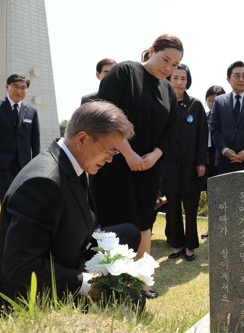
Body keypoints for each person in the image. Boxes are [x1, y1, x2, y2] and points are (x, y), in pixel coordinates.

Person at [0, 101, 140, 320]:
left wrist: (111, 256)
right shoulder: (43, 183)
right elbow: (20, 267)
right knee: (132, 298)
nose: (110, 159)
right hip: (30, 297)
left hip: (67, 257)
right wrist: (87, 283)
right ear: (82, 139)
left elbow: (85, 219)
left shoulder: (73, 163)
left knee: (129, 233)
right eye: (109, 151)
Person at [89, 34, 183, 297]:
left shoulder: (167, 90)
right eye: (166, 59)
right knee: (112, 223)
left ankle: (141, 281)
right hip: (114, 163)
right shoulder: (124, 73)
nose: (169, 68)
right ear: (151, 51)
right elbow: (106, 113)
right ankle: (105, 284)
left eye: (175, 65)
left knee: (144, 223)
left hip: (148, 169)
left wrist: (155, 155)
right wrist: (127, 152)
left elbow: (171, 130)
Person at [163, 64, 208, 261]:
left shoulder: (196, 105)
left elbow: (202, 136)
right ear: (168, 80)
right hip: (169, 165)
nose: (179, 82)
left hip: (191, 165)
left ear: (188, 80)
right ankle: (177, 244)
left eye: (183, 78)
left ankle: (190, 246)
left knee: (191, 208)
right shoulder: (163, 104)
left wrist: (201, 162)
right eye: (175, 78)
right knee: (172, 208)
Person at [0, 74, 40, 203]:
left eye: (23, 88)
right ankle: (7, 223)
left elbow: (35, 140)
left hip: (24, 165)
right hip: (3, 163)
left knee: (23, 198)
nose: (19, 91)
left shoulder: (31, 111)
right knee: (8, 198)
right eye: (15, 86)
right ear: (7, 87)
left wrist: (36, 162)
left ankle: (19, 223)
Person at [200, 85, 226, 240]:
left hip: (222, 158)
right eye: (209, 100)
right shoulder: (204, 116)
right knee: (212, 195)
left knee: (224, 195)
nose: (212, 104)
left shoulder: (227, 117)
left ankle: (225, 227)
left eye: (215, 101)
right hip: (207, 158)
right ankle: (212, 228)